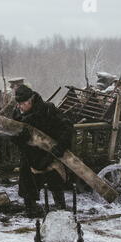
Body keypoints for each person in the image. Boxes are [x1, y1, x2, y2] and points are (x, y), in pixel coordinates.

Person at [12, 85, 74, 218]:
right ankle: (31, 208)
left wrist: (60, 147)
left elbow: (67, 127)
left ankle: (60, 208)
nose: (19, 107)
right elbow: (13, 135)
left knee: (55, 181)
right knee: (27, 183)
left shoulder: (48, 110)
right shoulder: (17, 113)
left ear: (31, 100)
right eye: (18, 103)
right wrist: (19, 138)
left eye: (22, 103)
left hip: (49, 154)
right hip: (29, 155)